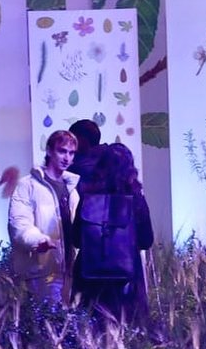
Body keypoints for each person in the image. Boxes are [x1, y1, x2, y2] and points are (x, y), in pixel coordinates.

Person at [70, 141, 153, 324]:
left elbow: (76, 240)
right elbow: (146, 240)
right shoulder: (137, 201)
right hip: (126, 280)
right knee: (129, 329)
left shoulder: (87, 200)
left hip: (90, 278)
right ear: (130, 169)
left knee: (91, 329)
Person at [8, 130, 80, 304]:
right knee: (45, 318)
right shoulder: (28, 185)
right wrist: (38, 240)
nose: (67, 158)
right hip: (40, 270)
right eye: (62, 151)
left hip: (69, 271)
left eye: (71, 153)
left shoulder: (72, 190)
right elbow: (19, 223)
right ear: (49, 151)